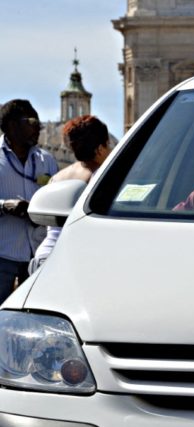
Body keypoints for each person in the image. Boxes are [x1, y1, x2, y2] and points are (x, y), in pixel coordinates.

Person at [29, 115, 111, 274]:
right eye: (108, 146)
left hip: (44, 256)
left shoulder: (58, 177)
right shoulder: (100, 177)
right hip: (71, 259)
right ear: (100, 148)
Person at [0, 99, 58, 300]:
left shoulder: (46, 160)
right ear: (12, 125)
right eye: (32, 122)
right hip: (3, 254)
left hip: (37, 256)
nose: (38, 128)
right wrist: (6, 206)